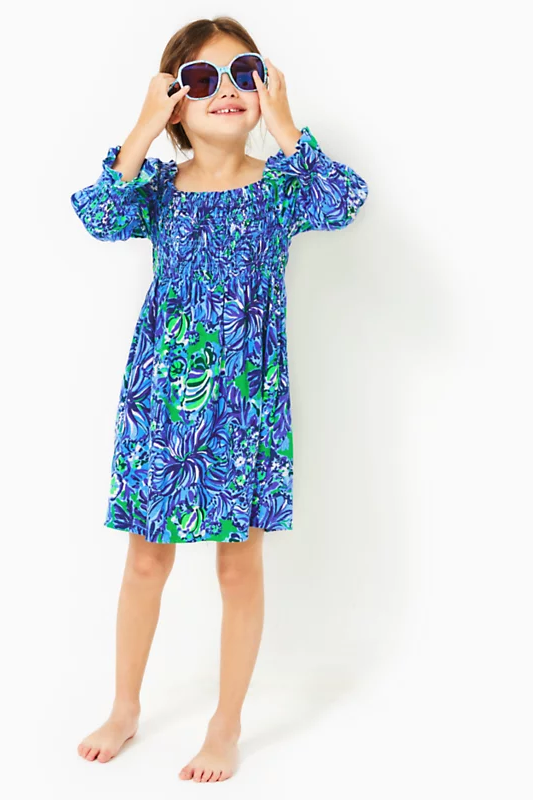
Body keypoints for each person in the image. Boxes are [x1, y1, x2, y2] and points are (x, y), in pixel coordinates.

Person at [70, 16, 368, 783]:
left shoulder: (279, 187)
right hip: (163, 402)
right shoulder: (157, 190)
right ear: (176, 101)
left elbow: (344, 200)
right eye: (200, 80)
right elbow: (100, 214)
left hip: (245, 404)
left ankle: (226, 723)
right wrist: (141, 127)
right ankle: (125, 706)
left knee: (238, 566)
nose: (225, 91)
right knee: (145, 559)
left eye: (245, 74)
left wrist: (286, 123)